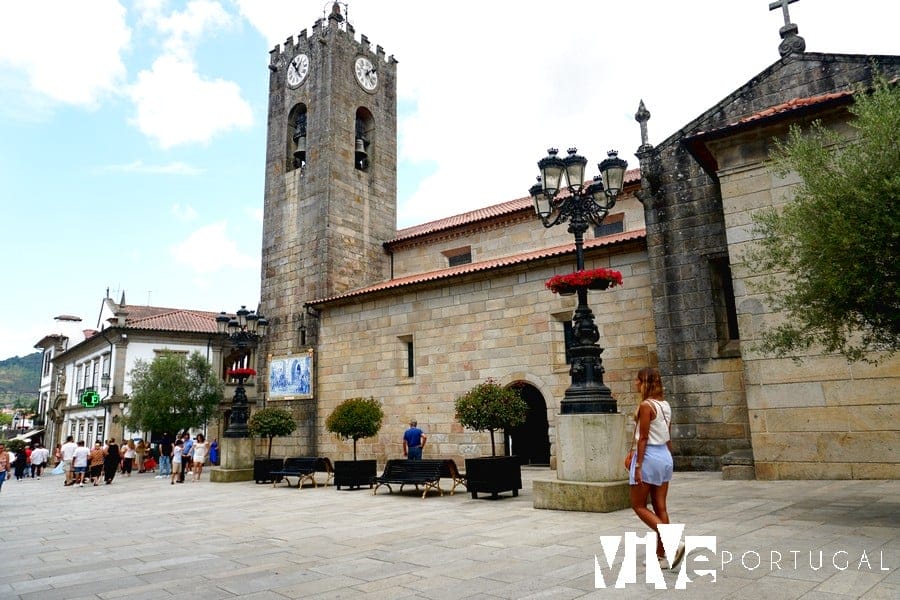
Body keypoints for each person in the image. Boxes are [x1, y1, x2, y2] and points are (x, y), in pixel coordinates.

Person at [628, 367, 685, 571]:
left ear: (645, 382)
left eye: (637, 380)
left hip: (649, 456)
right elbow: (667, 435)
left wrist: (638, 465)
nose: (635, 383)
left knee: (639, 505)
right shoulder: (665, 405)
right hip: (664, 455)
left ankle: (671, 542)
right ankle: (663, 556)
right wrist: (669, 459)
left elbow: (643, 438)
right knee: (660, 507)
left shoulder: (646, 406)